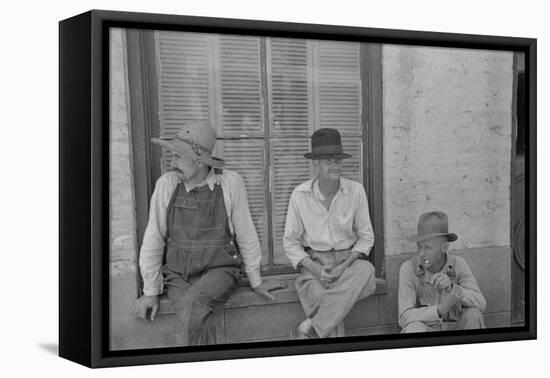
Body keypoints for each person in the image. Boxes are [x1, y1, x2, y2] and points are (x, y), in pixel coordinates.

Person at [133, 120, 280, 346]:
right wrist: (151, 291)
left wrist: (256, 280)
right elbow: (154, 238)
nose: (172, 163)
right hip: (178, 274)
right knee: (195, 315)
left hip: (220, 270)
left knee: (191, 307)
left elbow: (246, 233)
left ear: (200, 161)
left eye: (178, 157)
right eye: (172, 156)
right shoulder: (166, 184)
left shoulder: (230, 182)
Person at [283, 128, 377, 339]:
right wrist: (316, 269)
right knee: (323, 300)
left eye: (338, 160)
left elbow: (366, 237)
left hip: (349, 266)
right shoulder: (300, 195)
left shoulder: (355, 191)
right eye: (328, 161)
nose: (335, 166)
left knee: (367, 270)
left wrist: (344, 266)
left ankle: (310, 324)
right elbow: (290, 243)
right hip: (315, 265)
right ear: (315, 164)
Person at [398, 211, 486, 333]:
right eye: (419, 246)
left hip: (456, 329)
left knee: (473, 315)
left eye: (427, 247)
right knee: (414, 328)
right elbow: (404, 317)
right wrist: (439, 309)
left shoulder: (458, 264)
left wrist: (453, 288)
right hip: (427, 331)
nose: (421, 253)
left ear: (444, 247)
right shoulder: (408, 269)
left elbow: (481, 302)